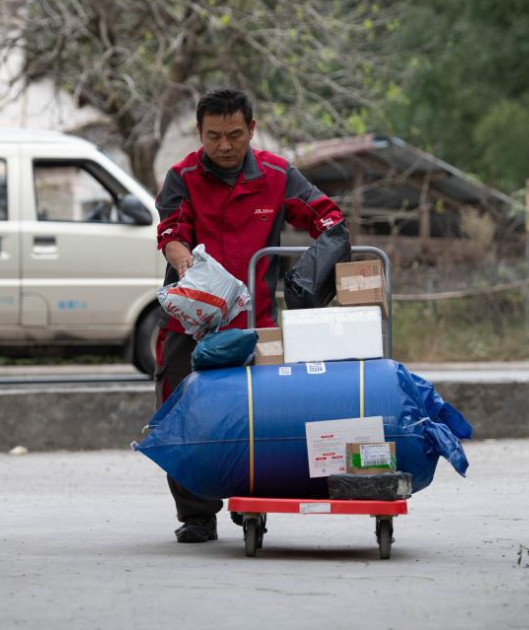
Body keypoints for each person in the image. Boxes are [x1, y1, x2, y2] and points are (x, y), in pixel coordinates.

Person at [154, 88, 345, 543]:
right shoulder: (181, 176)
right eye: (213, 136)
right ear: (199, 132)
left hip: (255, 323)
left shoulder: (278, 175)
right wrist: (188, 266)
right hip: (190, 323)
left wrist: (317, 269)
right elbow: (171, 232)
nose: (224, 145)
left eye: (234, 134)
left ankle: (250, 501)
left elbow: (327, 218)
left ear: (252, 129)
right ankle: (197, 514)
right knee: (183, 414)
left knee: (258, 418)